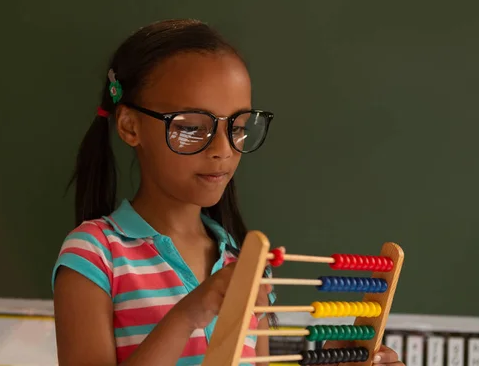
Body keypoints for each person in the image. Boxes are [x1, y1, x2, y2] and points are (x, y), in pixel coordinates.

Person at [52, 19, 403, 366]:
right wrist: (187, 315)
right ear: (130, 126)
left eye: (238, 126)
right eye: (191, 127)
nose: (223, 149)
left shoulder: (245, 268)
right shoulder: (96, 255)